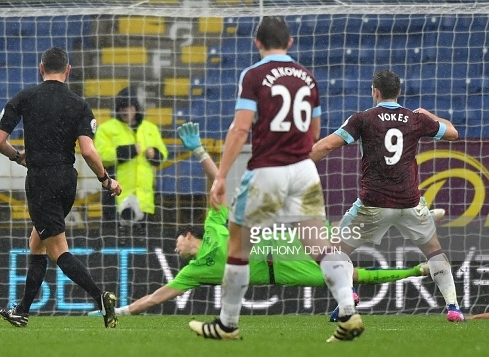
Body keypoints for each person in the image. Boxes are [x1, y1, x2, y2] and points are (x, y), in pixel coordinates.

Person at [92, 122, 436, 318]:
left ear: (187, 235)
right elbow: (154, 298)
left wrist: (199, 152)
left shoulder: (214, 225)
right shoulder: (192, 273)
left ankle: (410, 213)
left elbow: (218, 185)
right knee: (351, 272)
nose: (175, 247)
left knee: (352, 231)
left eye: (177, 241)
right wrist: (118, 312)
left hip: (286, 236)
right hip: (285, 271)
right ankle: (416, 247)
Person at [189, 16, 362, 342]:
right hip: (304, 170)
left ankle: (227, 324)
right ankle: (348, 311)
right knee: (319, 245)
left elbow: (241, 128)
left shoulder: (253, 75)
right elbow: (314, 132)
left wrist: (221, 176)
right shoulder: (308, 77)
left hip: (268, 170)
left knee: (238, 245)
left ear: (258, 43)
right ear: (290, 43)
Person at [310, 69, 464, 322]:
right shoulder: (415, 119)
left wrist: (299, 165)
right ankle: (453, 307)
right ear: (399, 92)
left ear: (375, 92)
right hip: (409, 202)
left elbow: (325, 146)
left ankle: (348, 293)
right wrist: (428, 114)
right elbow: (453, 133)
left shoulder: (362, 119)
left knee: (333, 251)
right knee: (434, 251)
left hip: (373, 203)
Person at [0, 47, 122, 328]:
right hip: (67, 180)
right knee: (36, 241)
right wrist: (105, 179)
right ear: (68, 70)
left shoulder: (25, 97)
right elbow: (87, 151)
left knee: (57, 249)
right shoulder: (79, 104)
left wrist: (18, 156)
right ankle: (22, 310)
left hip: (41, 180)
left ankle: (100, 298)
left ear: (41, 69)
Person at [94, 86, 168, 237]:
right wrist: (129, 151)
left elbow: (164, 153)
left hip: (144, 198)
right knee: (115, 241)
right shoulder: (106, 129)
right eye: (121, 108)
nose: (125, 111)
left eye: (128, 107)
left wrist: (155, 153)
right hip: (116, 197)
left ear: (136, 108)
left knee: (145, 244)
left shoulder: (150, 128)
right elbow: (100, 156)